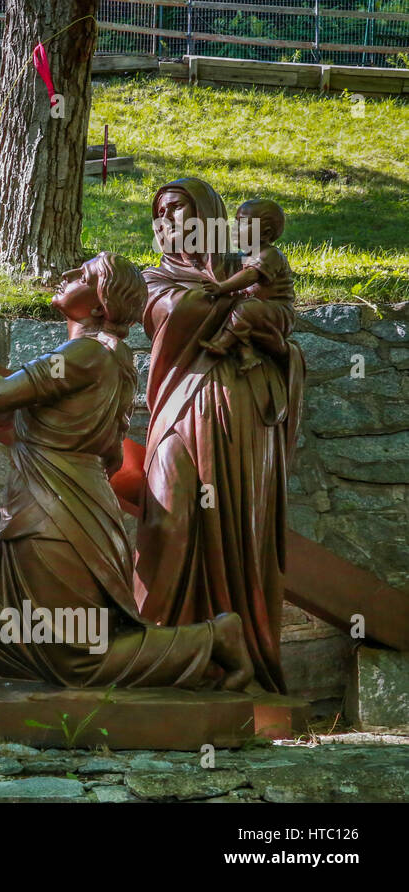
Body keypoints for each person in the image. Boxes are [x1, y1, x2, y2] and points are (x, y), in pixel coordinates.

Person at [0, 252, 252, 691]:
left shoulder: (88, 353)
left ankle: (213, 638)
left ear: (99, 305)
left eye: (84, 275)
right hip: (46, 507)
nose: (68, 274)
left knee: (81, 662)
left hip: (56, 515)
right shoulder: (103, 357)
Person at [136, 178, 304, 693]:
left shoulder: (246, 263)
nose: (165, 220)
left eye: (177, 209)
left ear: (207, 215)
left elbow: (284, 325)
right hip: (181, 406)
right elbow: (171, 316)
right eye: (159, 212)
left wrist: (260, 322)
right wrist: (240, 311)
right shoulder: (154, 278)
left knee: (239, 524)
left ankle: (236, 655)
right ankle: (160, 651)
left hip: (243, 411)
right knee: (168, 515)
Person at [198, 198, 293, 372]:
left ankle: (222, 343)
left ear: (265, 233)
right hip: (258, 308)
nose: (235, 227)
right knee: (238, 309)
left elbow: (250, 275)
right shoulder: (246, 256)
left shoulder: (269, 254)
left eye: (242, 223)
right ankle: (248, 356)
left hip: (277, 311)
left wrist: (222, 287)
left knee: (244, 310)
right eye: (235, 221)